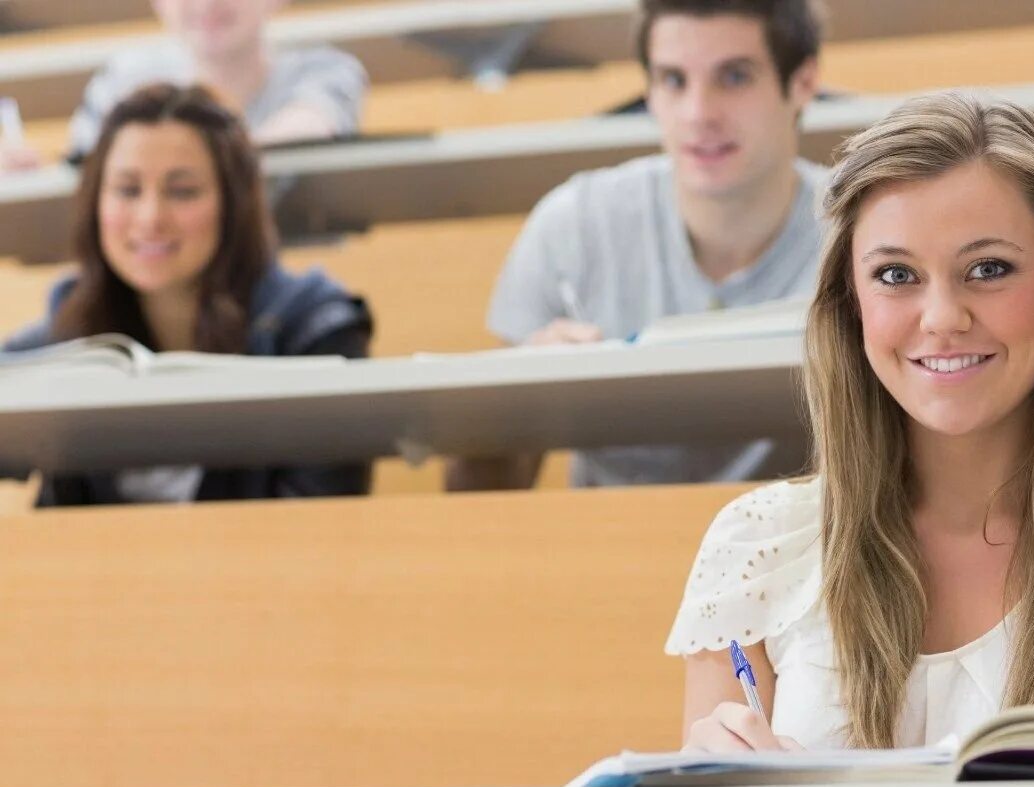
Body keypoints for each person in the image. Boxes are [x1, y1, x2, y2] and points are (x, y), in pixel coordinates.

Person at [667, 92, 1034, 768]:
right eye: (896, 275)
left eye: (988, 269)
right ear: (851, 305)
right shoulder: (757, 543)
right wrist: (708, 782)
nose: (942, 316)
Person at [449, 0, 826, 490]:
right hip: (603, 552)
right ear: (648, 91)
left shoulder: (868, 236)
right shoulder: (572, 224)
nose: (698, 114)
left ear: (802, 83)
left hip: (806, 556)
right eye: (673, 80)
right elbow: (480, 493)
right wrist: (521, 403)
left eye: (734, 77)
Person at [4, 83, 374, 506]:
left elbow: (325, 537)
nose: (150, 218)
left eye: (183, 192)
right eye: (127, 190)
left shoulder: (314, 332)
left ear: (233, 204)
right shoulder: (67, 335)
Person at [0, 0, 365, 172]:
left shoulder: (324, 70)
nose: (207, 3)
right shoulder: (124, 78)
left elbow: (307, 128)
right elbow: (90, 174)